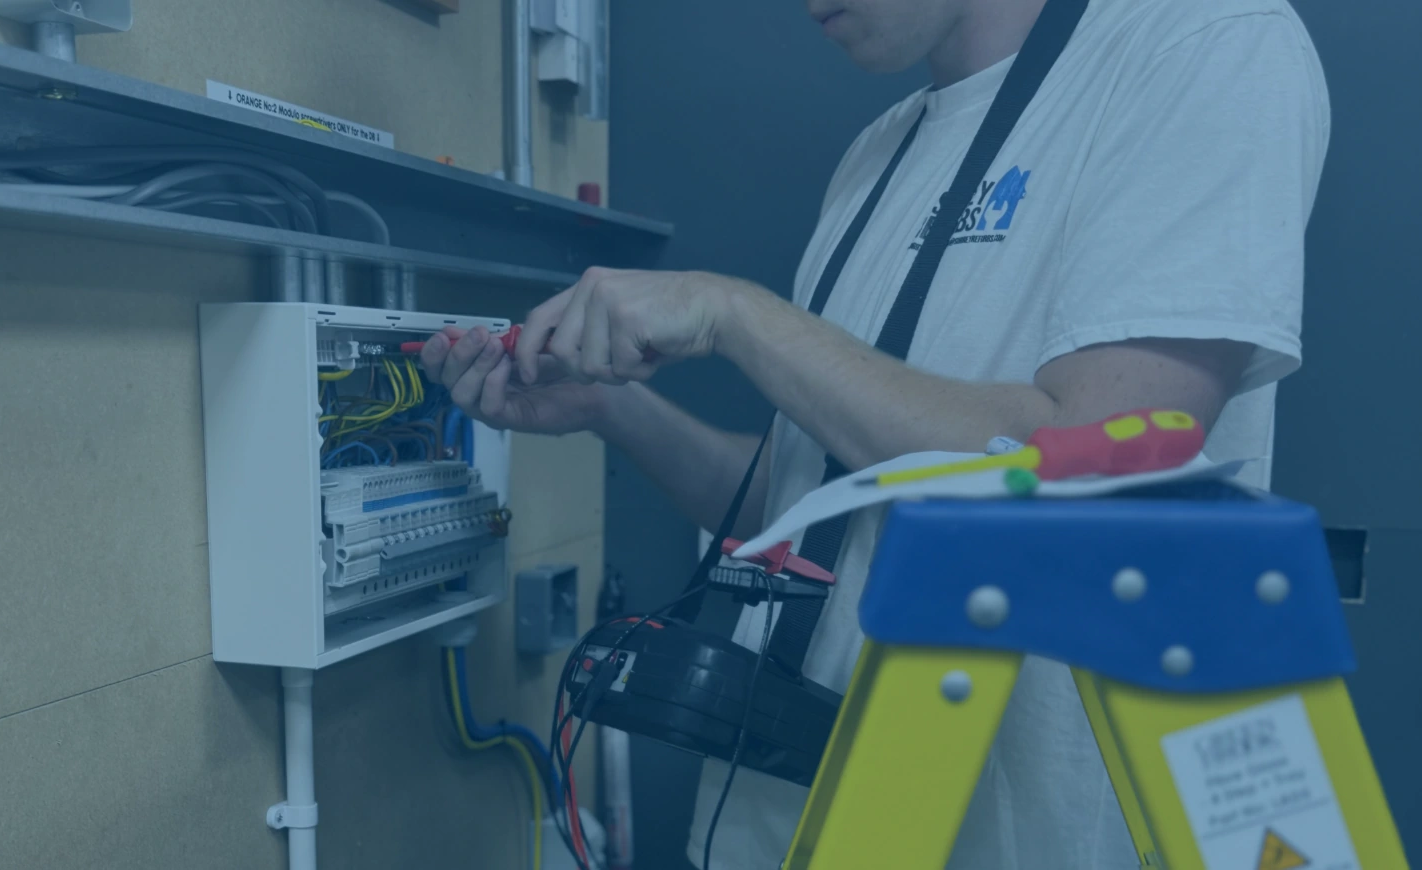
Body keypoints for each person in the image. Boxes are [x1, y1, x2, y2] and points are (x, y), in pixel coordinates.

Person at [422, 0, 1329, 865]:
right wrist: (610, 410)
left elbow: (1093, 453)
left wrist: (731, 311)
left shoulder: (1206, 47)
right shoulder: (879, 150)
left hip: (1012, 834)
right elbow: (809, 495)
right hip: (788, 813)